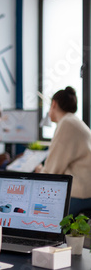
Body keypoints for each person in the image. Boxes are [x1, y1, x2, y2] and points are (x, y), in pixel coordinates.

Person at [35, 86, 91, 217]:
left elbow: (52, 170)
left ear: (53, 104)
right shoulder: (74, 121)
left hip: (79, 194)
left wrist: (39, 170)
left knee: (38, 209)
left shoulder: (66, 123)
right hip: (86, 189)